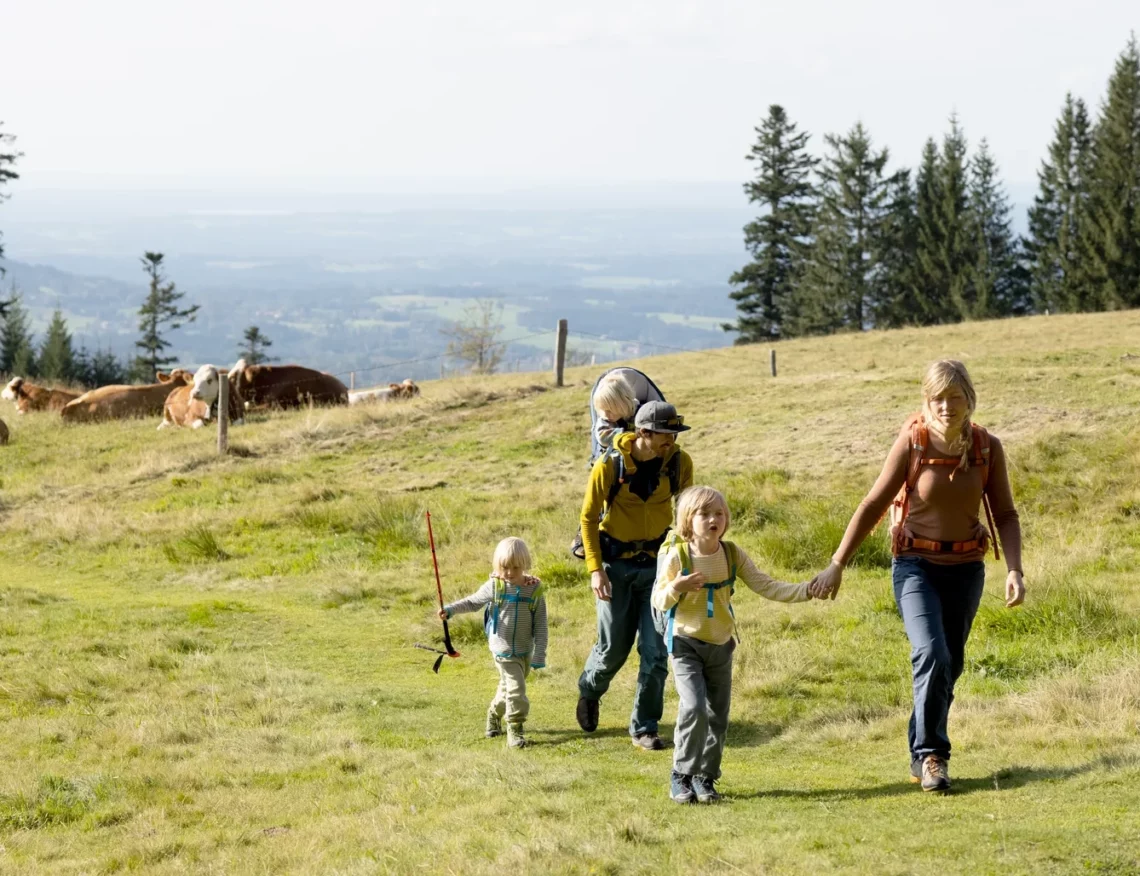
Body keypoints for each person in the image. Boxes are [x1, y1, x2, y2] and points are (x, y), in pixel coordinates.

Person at [808, 360, 1025, 792]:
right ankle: (932, 757)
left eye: (955, 396)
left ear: (968, 398)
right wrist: (837, 563)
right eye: (938, 397)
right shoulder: (913, 442)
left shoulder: (986, 447)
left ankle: (919, 748)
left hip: (966, 569)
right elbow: (872, 504)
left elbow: (1004, 513)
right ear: (927, 399)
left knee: (950, 664)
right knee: (933, 654)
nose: (946, 406)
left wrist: (1015, 569)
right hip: (915, 568)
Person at [653, 486, 815, 803]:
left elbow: (766, 585)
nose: (714, 519)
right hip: (685, 643)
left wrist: (807, 590)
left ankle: (705, 778)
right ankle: (681, 775)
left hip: (721, 645)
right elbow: (658, 601)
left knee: (718, 716)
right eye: (704, 513)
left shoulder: (731, 554)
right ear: (688, 518)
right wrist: (677, 586)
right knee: (694, 708)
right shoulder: (679, 556)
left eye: (720, 513)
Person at [576, 400, 694, 750]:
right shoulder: (609, 465)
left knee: (656, 652)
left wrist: (691, 559)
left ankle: (644, 728)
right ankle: (590, 689)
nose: (671, 441)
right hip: (615, 566)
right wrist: (595, 570)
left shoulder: (679, 464)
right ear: (643, 433)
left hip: (658, 568)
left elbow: (687, 514)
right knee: (614, 648)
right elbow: (588, 519)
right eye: (665, 435)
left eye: (674, 435)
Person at [440, 537, 547, 749]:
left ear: (525, 564)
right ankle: (515, 731)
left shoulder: (534, 590)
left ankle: (493, 714)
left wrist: (539, 654)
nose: (509, 572)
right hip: (503, 650)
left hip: (525, 649)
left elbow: (541, 625)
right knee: (517, 689)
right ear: (498, 566)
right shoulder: (495, 586)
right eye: (505, 567)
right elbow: (472, 602)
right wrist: (450, 610)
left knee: (507, 688)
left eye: (515, 567)